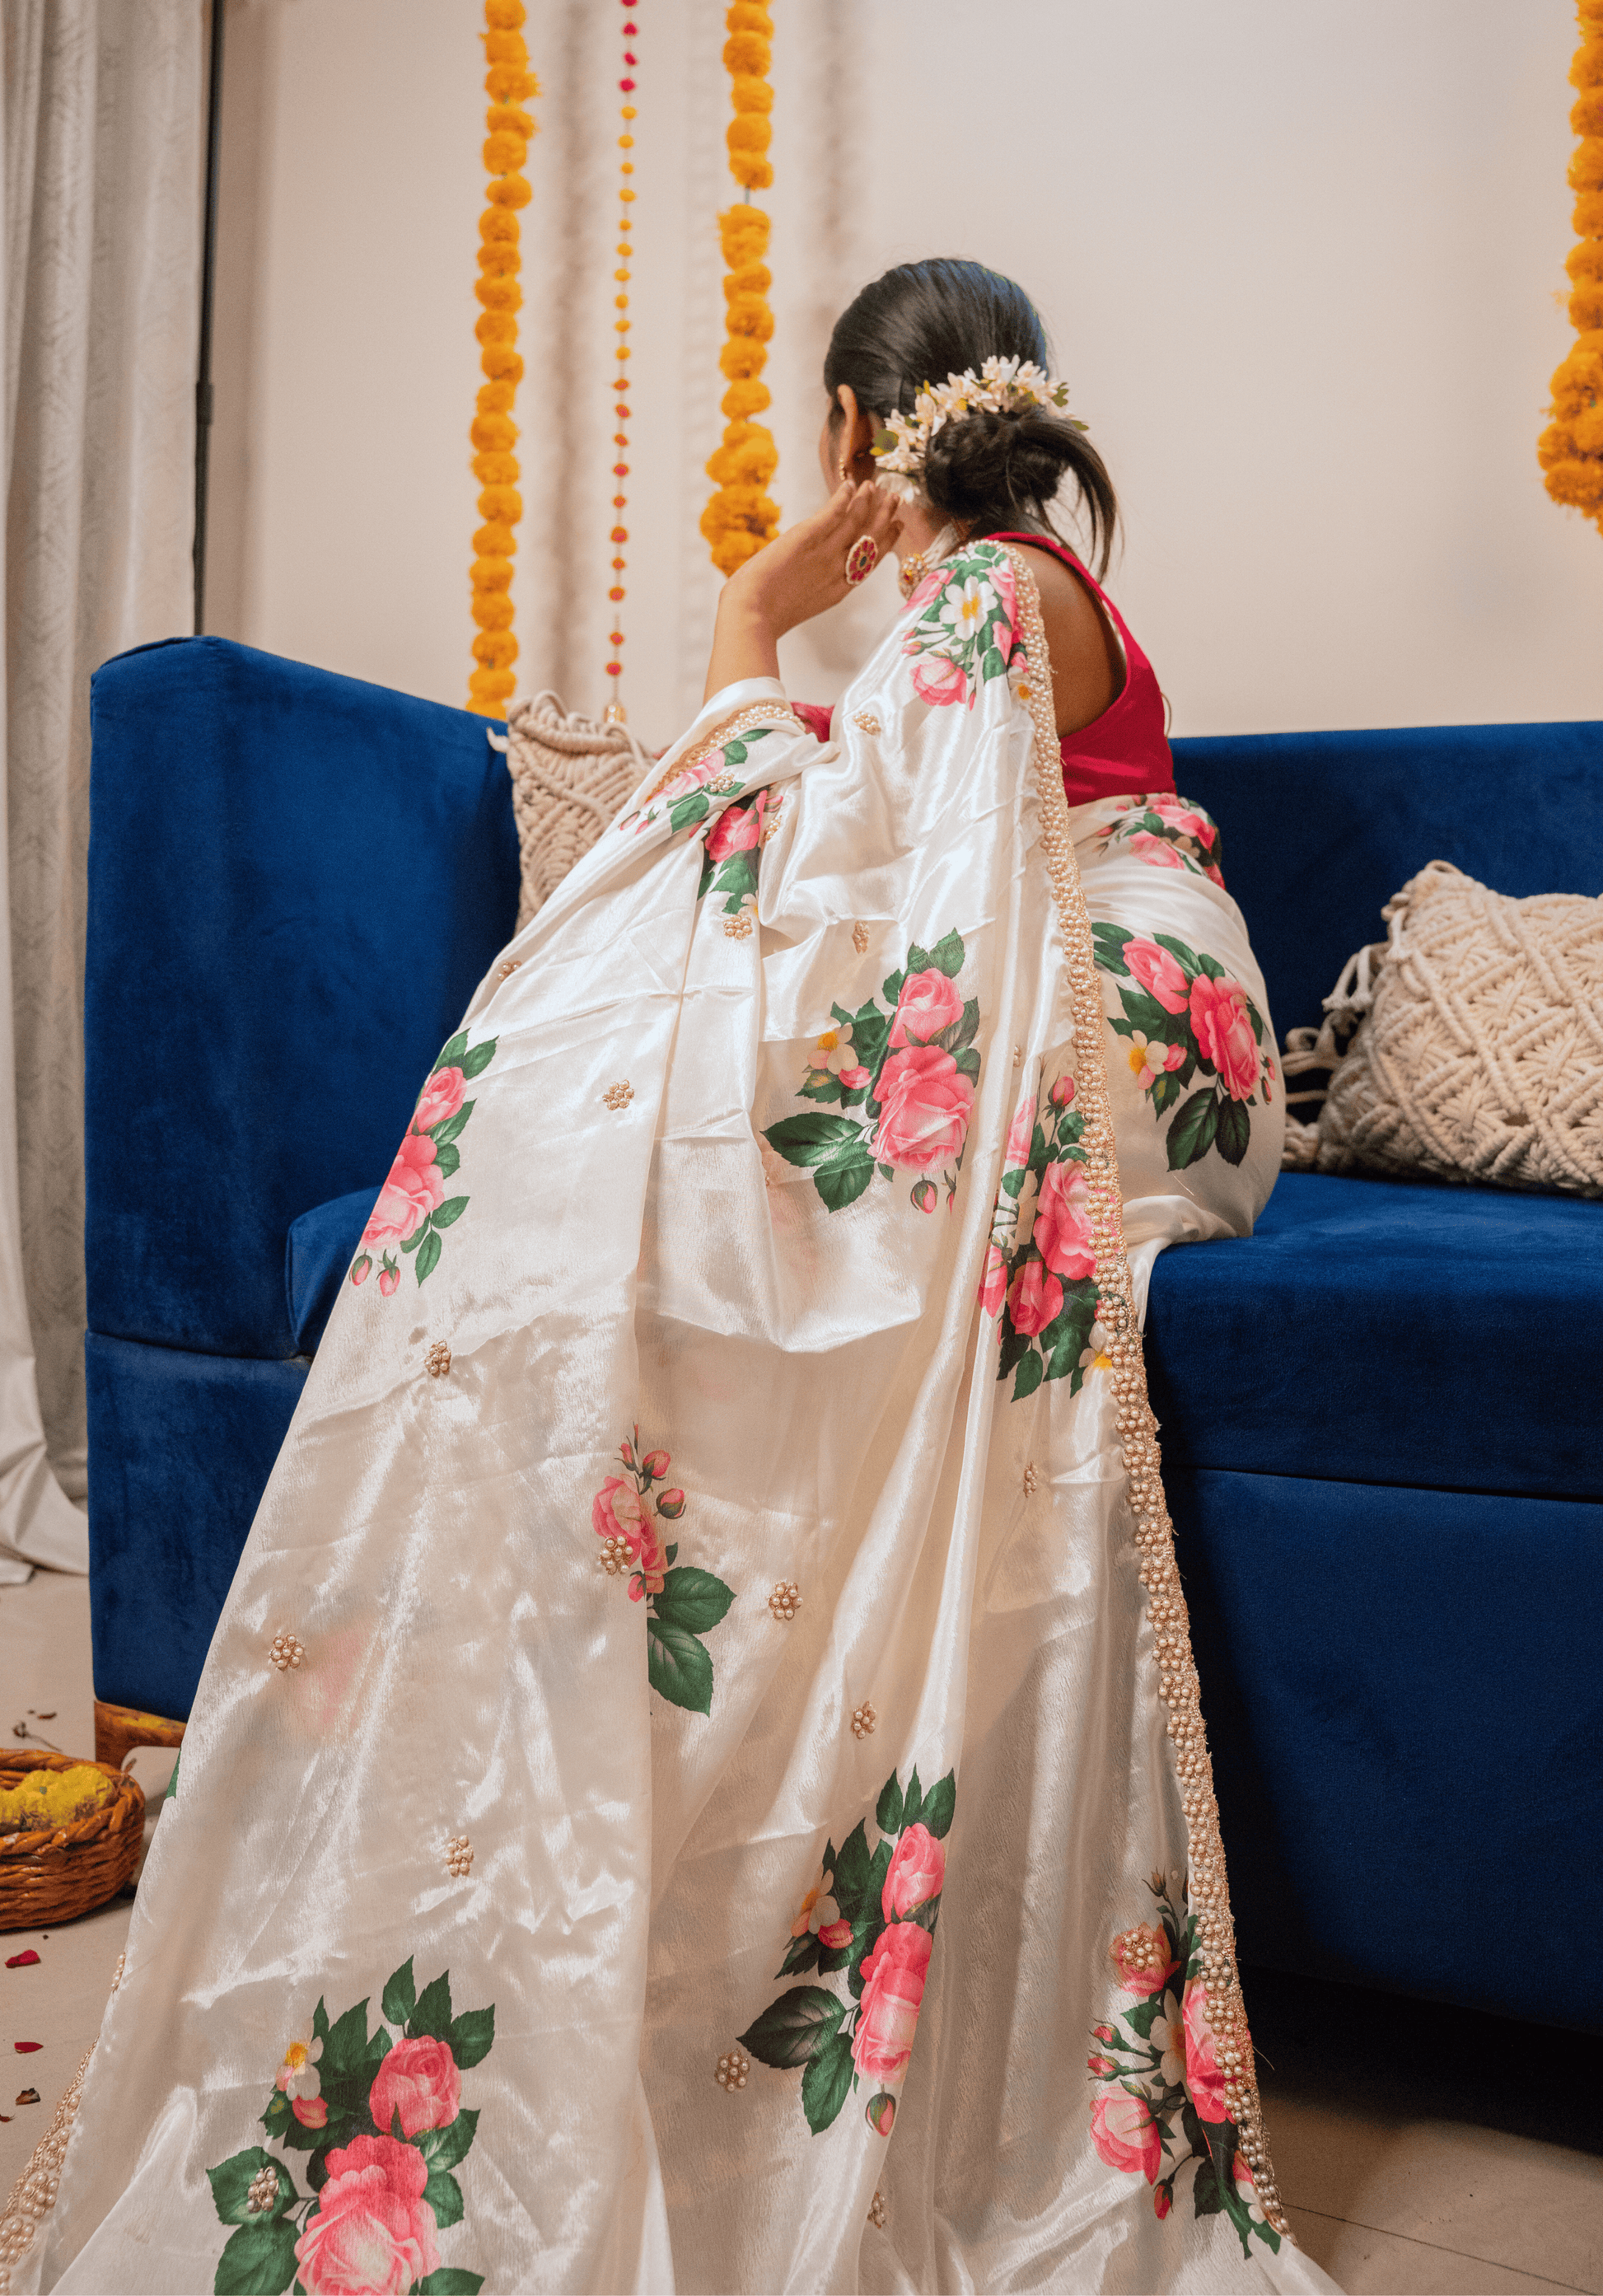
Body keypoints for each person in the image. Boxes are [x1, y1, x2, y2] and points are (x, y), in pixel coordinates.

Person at [10, 260, 1327, 2295]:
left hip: (1115, 1010)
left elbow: (829, 880)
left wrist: (742, 629)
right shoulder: (990, 622)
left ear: (845, 441)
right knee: (666, 1108)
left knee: (614, 1112)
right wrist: (763, 666)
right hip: (1135, 1011)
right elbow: (840, 847)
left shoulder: (991, 597)